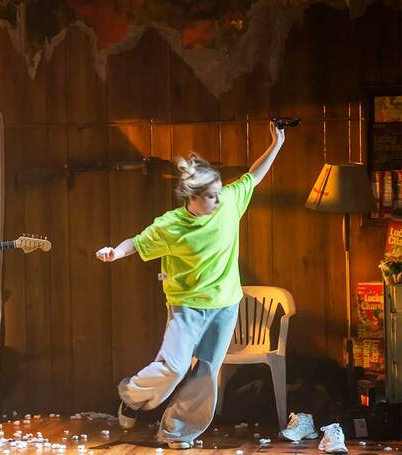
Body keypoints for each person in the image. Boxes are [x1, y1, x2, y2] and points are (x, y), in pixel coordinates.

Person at [95, 122, 285, 449]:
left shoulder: (228, 203)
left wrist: (277, 143)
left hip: (225, 305)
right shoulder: (171, 227)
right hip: (187, 307)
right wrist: (115, 252)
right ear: (192, 199)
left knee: (207, 373)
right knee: (174, 366)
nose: (217, 200)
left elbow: (253, 176)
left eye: (218, 193)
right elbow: (137, 243)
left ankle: (175, 432)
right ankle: (131, 395)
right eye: (210, 197)